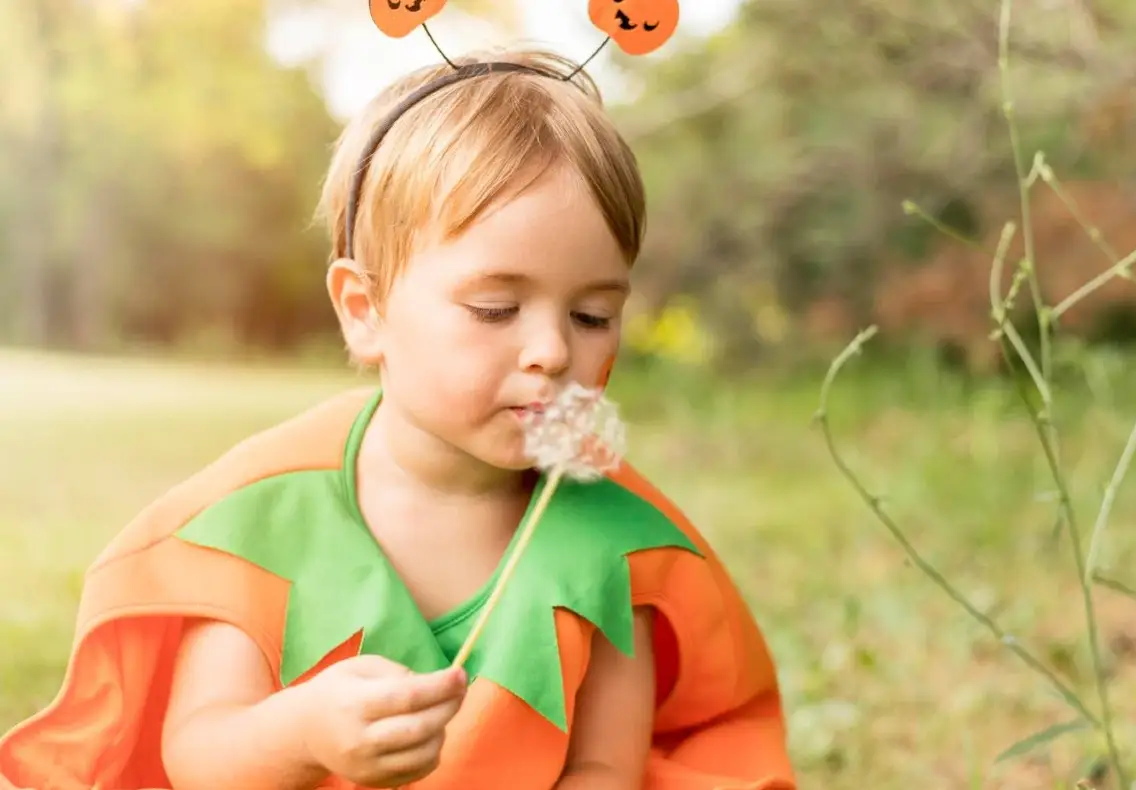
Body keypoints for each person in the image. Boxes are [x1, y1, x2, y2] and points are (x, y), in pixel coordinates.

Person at [0, 48, 797, 790]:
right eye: (496, 308)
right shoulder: (267, 521)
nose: (553, 351)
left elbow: (603, 769)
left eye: (592, 316)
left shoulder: (610, 547)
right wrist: (304, 733)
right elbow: (200, 756)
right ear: (365, 310)